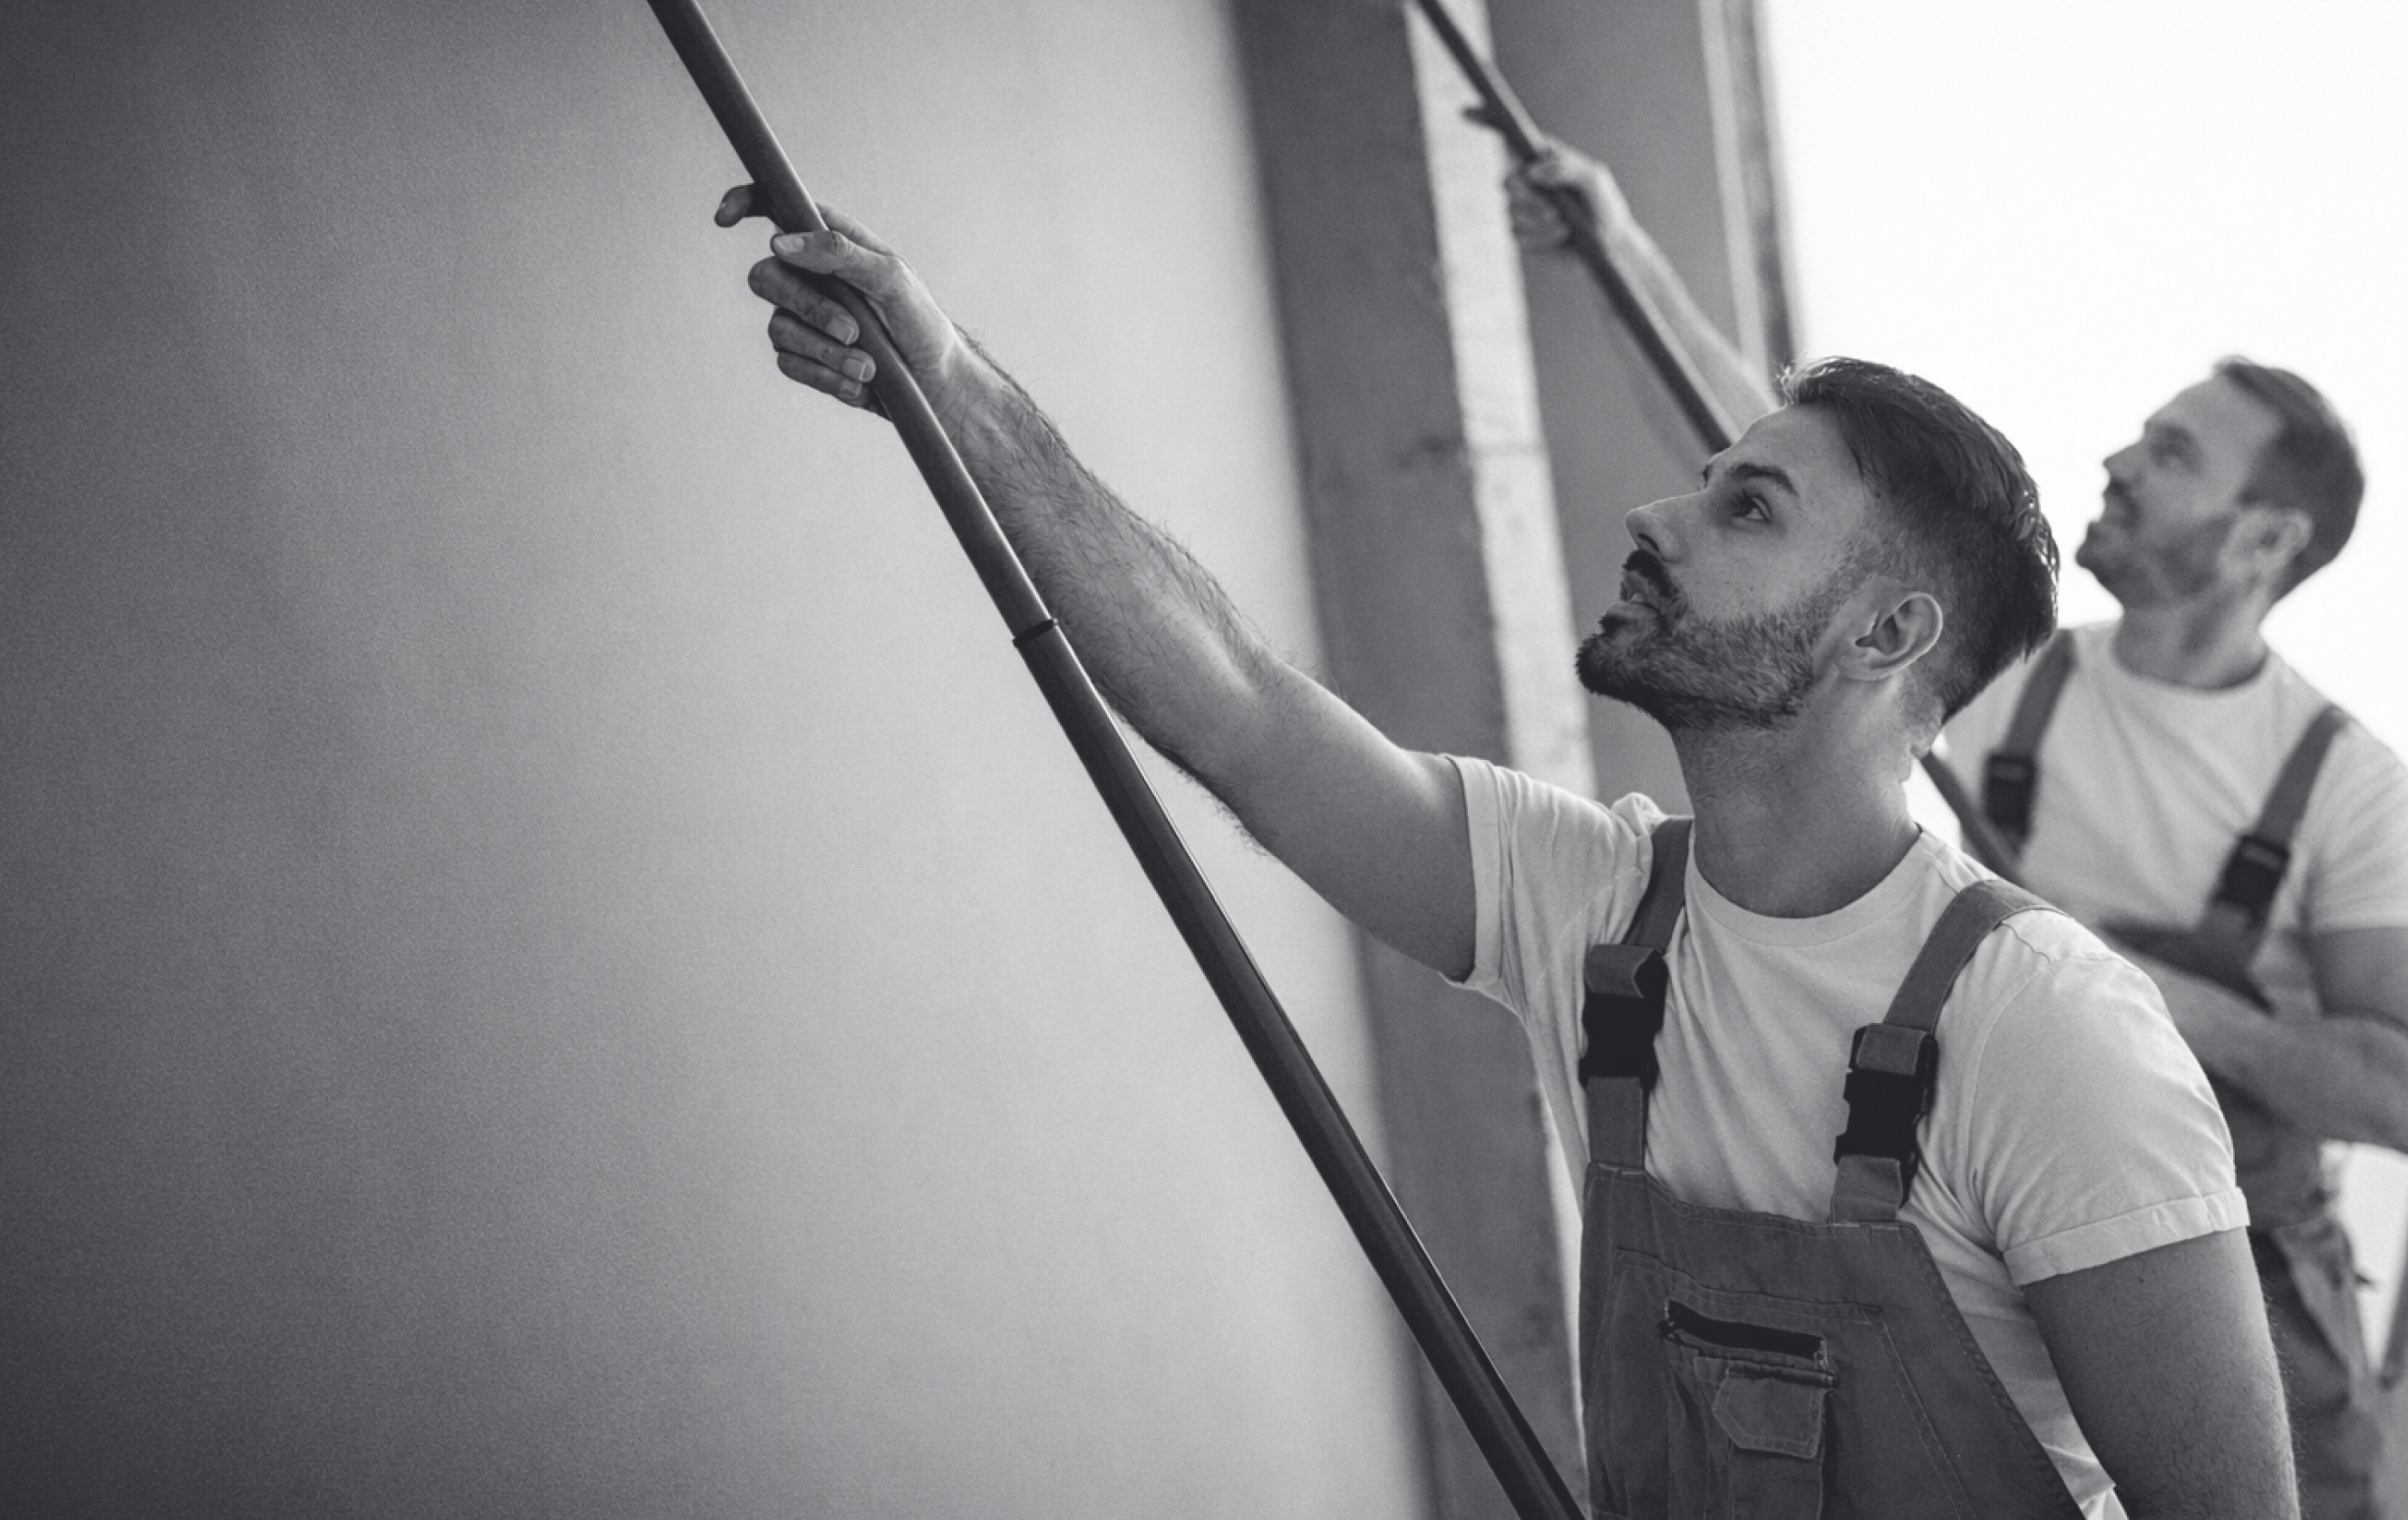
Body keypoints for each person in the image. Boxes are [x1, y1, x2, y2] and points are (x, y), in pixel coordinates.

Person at [716, 186, 2294, 1516]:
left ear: (1888, 635)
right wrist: (951, 384)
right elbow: (1245, 715)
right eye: (1706, 483)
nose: (1658, 516)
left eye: (1748, 510)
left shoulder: (2047, 1033)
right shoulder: (1591, 907)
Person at [1512, 143, 2408, 1518]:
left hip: (2253, 1305)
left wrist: (2148, 1003)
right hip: (1988, 1257)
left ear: (2263, 544)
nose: (2119, 461)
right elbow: (1798, 500)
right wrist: (1618, 254)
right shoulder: (2004, 690)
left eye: (2173, 455)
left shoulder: (2343, 784)